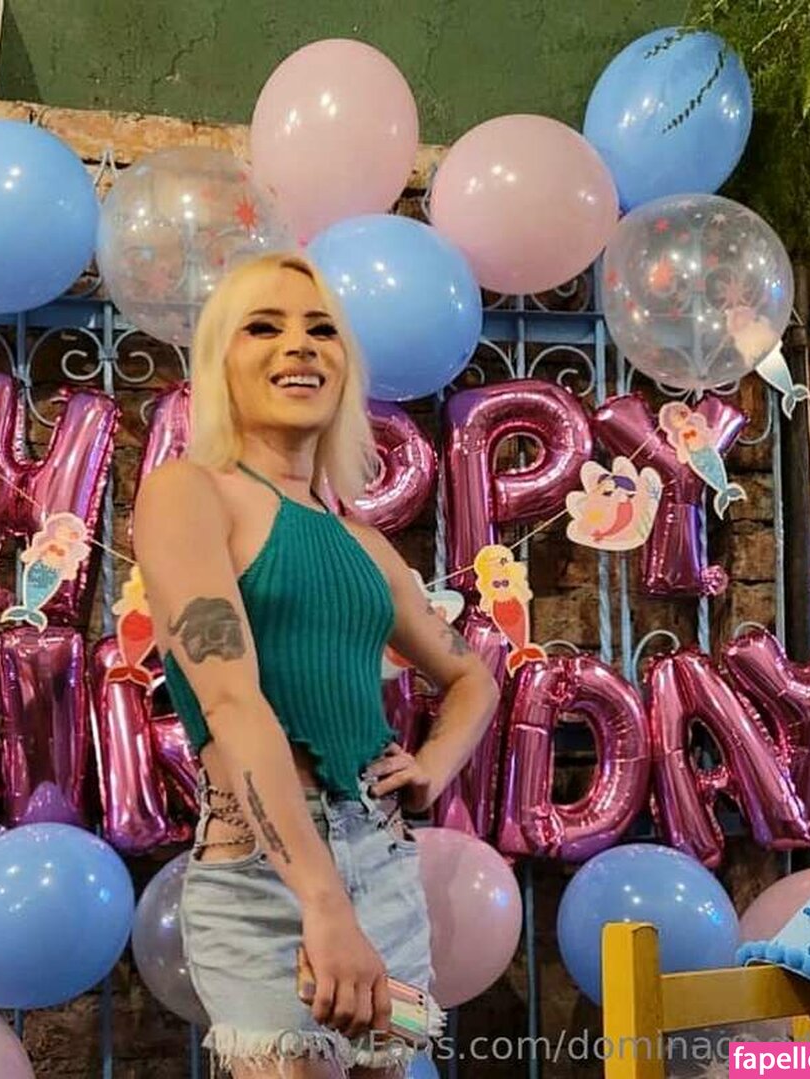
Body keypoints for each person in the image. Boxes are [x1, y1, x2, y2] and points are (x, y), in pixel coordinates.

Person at [133, 252, 499, 1078]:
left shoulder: (365, 546)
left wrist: (434, 766)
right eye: (263, 327)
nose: (299, 345)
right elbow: (231, 703)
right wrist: (324, 903)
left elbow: (473, 677)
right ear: (221, 362)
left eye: (321, 329)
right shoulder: (188, 493)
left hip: (385, 865)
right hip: (263, 879)